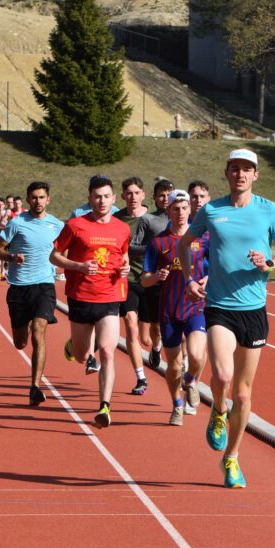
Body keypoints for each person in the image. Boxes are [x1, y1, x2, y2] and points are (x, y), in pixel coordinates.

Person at [179, 149, 275, 489]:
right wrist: (189, 279)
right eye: (235, 169)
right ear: (227, 172)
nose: (240, 175)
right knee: (221, 373)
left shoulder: (268, 210)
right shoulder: (213, 210)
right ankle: (218, 410)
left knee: (244, 396)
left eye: (247, 170)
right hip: (219, 306)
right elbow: (184, 245)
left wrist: (270, 265)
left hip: (254, 311)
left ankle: (231, 457)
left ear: (255, 175)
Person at [50, 175, 131, 428]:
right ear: (89, 198)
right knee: (83, 355)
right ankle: (74, 346)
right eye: (97, 196)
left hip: (110, 296)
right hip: (81, 296)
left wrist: (126, 267)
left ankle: (104, 407)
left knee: (108, 351)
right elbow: (54, 256)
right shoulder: (75, 225)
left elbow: (123, 255)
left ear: (114, 198)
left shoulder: (122, 227)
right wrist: (79, 266)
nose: (102, 201)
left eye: (106, 196)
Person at [141, 190, 209, 426]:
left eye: (184, 208)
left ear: (190, 209)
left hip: (195, 307)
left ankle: (190, 381)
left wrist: (207, 279)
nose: (180, 213)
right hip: (169, 310)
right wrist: (156, 276)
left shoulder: (203, 238)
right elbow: (144, 279)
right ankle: (177, 406)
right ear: (167, 211)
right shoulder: (159, 242)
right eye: (175, 209)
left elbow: (215, 267)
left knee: (197, 355)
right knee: (174, 364)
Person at [0, 181, 64, 406]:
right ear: (28, 200)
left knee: (38, 332)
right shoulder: (17, 223)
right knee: (20, 342)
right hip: (19, 288)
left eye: (42, 197)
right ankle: (34, 383)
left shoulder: (57, 225)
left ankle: (35, 386)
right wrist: (11, 257)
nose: (38, 201)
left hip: (44, 286)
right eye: (34, 197)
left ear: (48, 200)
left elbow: (69, 248)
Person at [113, 177, 151, 395]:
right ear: (123, 196)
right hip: (127, 280)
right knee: (130, 325)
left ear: (143, 195)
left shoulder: (155, 219)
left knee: (148, 336)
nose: (133, 197)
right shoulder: (116, 220)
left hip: (151, 280)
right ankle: (141, 378)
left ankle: (155, 348)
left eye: (137, 193)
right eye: (129, 193)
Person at [135, 178, 173, 370]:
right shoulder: (148, 219)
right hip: (155, 276)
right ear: (154, 198)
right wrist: (153, 249)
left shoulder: (184, 218)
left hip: (177, 277)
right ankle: (156, 348)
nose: (165, 199)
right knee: (156, 325)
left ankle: (181, 362)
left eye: (169, 195)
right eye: (161, 195)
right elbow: (133, 246)